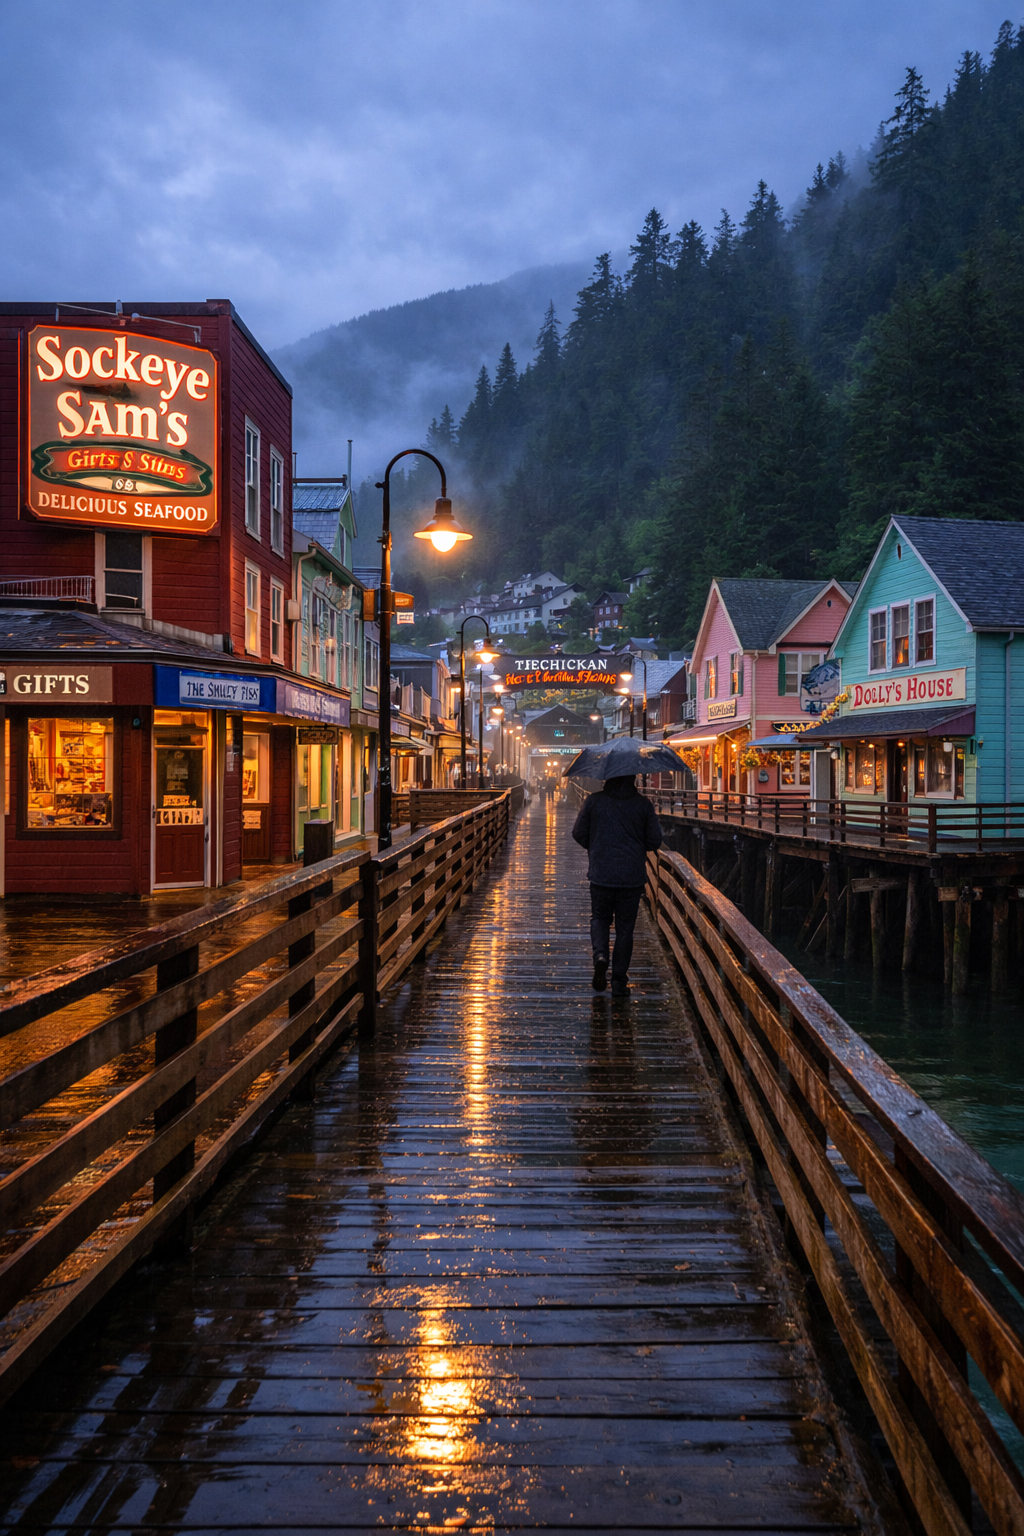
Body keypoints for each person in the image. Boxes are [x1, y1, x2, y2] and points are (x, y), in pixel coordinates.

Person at [571, 774, 663, 997]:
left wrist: (596, 847)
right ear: (632, 778)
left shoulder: (594, 801)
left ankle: (601, 956)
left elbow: (578, 832)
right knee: (625, 928)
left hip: (601, 874)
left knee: (599, 918)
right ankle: (619, 981)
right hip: (631, 877)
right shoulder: (643, 805)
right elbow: (655, 840)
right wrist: (636, 845)